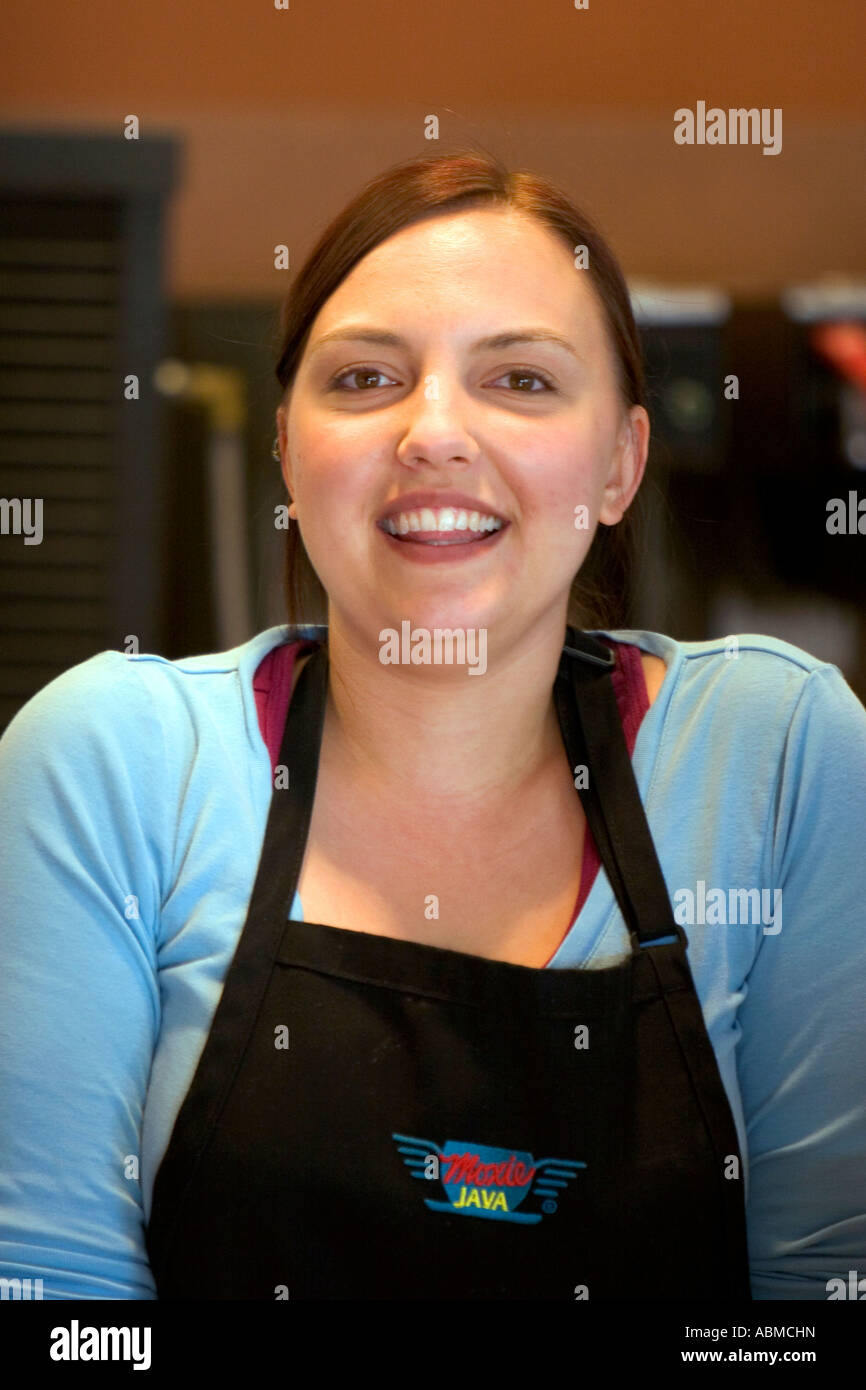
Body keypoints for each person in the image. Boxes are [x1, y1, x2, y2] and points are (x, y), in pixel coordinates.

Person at [1, 151, 865, 1301]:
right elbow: (53, 1298)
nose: (432, 433)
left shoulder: (776, 753)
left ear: (619, 463)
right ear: (285, 452)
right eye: (363, 379)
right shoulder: (112, 762)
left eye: (519, 380)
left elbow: (823, 1291)